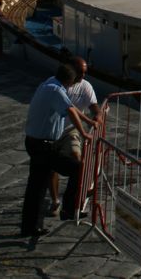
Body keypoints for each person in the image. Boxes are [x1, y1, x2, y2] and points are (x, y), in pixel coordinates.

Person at [20, 64, 90, 237]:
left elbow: (70, 107)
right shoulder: (56, 90)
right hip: (43, 145)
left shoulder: (49, 83)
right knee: (78, 168)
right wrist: (84, 133)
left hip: (35, 142)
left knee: (36, 186)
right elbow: (71, 111)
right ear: (69, 80)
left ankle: (30, 226)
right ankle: (68, 209)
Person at [47, 56, 100, 215]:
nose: (83, 76)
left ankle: (72, 202)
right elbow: (70, 109)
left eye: (85, 72)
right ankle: (55, 201)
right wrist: (86, 128)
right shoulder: (55, 85)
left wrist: (97, 115)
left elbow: (93, 105)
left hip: (71, 131)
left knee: (77, 161)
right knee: (52, 169)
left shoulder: (85, 86)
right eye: (79, 72)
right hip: (51, 132)